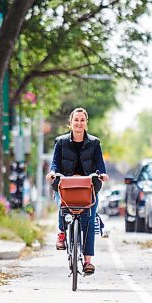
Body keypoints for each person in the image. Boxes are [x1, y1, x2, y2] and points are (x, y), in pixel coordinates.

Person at [46, 107, 109, 275]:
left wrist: (103, 174)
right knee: (62, 205)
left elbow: (100, 165)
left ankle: (88, 261)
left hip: (87, 188)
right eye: (76, 120)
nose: (79, 123)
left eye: (82, 120)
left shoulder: (95, 143)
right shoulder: (61, 142)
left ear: (86, 123)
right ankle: (62, 233)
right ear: (71, 123)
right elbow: (55, 163)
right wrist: (52, 173)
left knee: (88, 221)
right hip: (66, 184)